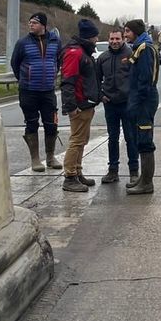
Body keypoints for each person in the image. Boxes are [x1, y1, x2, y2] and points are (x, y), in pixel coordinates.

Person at [10, 12, 61, 172]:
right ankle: (35, 159)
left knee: (51, 124)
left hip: (48, 90)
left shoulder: (55, 41)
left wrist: (52, 74)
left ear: (43, 26)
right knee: (32, 124)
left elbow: (58, 61)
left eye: (35, 22)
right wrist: (25, 79)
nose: (31, 25)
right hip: (28, 91)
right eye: (30, 22)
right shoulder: (22, 43)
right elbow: (15, 63)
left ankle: (51, 157)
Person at [60, 19, 102, 192]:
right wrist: (71, 106)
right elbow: (67, 81)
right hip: (79, 105)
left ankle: (77, 172)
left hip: (86, 104)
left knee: (82, 140)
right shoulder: (75, 53)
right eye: (95, 36)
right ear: (90, 36)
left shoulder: (82, 51)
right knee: (77, 141)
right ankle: (69, 177)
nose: (97, 40)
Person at [98, 29, 139, 184]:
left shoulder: (130, 55)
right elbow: (96, 79)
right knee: (112, 139)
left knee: (131, 138)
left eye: (117, 38)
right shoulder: (103, 58)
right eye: (112, 39)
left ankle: (134, 172)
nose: (114, 41)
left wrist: (133, 98)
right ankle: (113, 171)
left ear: (123, 39)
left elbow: (137, 78)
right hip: (110, 105)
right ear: (108, 40)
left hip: (127, 104)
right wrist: (101, 95)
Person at [124, 19, 160, 195]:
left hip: (144, 101)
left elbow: (145, 80)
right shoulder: (140, 47)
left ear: (135, 32)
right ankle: (143, 178)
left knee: (145, 140)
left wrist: (136, 103)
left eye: (127, 31)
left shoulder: (144, 49)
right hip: (141, 100)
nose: (125, 35)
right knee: (140, 137)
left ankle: (147, 183)